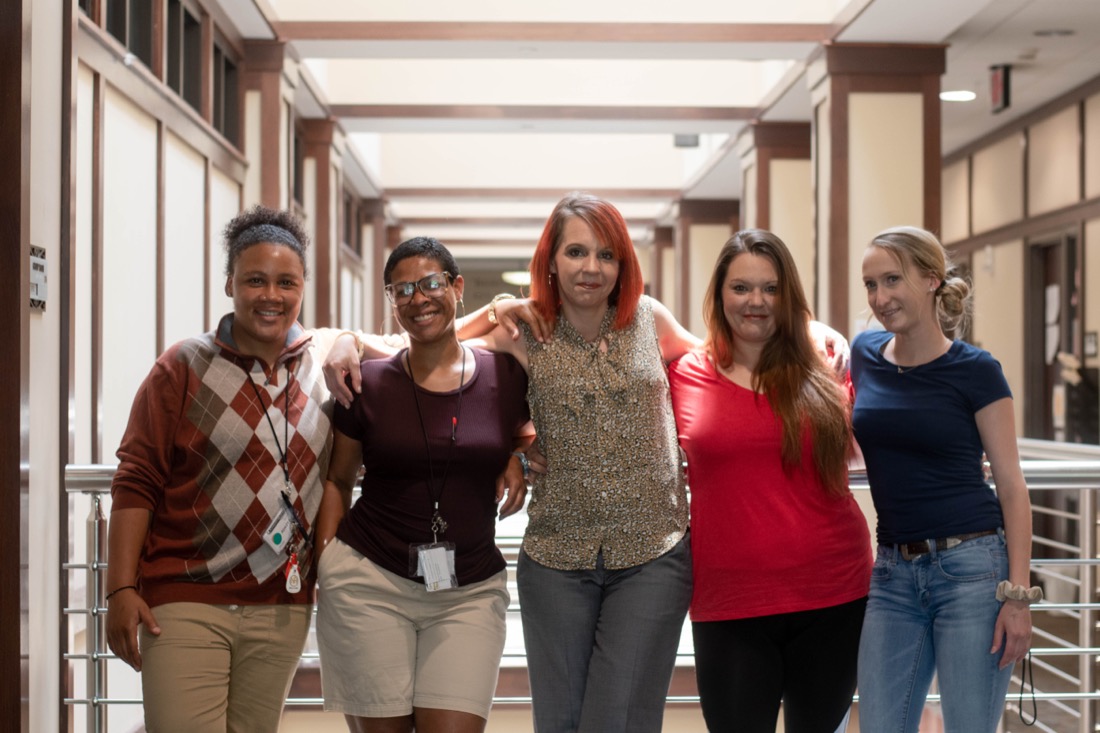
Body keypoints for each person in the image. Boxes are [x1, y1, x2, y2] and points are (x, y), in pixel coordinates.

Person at [105, 205, 373, 731]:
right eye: (255, 280)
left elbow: (429, 340)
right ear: (229, 283)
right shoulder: (182, 366)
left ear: (302, 287)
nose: (270, 295)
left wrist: (351, 338)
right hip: (184, 601)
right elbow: (136, 479)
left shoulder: (323, 365)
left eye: (285, 282)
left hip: (282, 605)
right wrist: (119, 589)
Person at [312, 236, 533, 733]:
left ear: (456, 288)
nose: (419, 298)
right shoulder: (366, 384)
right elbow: (338, 480)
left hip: (469, 590)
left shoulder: (504, 376)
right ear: (391, 303)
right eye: (403, 289)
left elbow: (526, 430)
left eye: (432, 283)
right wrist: (326, 562)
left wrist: (516, 453)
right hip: (369, 583)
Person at [666, 229, 871, 732]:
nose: (755, 301)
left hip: (834, 592)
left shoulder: (827, 365)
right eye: (741, 288)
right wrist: (524, 440)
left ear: (788, 296)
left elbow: (882, 432)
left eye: (771, 288)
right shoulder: (684, 374)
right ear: (719, 294)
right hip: (730, 603)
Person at [852, 226, 1037, 733]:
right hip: (891, 573)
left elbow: (1013, 488)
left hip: (973, 571)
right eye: (870, 285)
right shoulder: (864, 355)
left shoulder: (976, 370)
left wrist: (1017, 597)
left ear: (932, 280)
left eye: (892, 280)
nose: (880, 297)